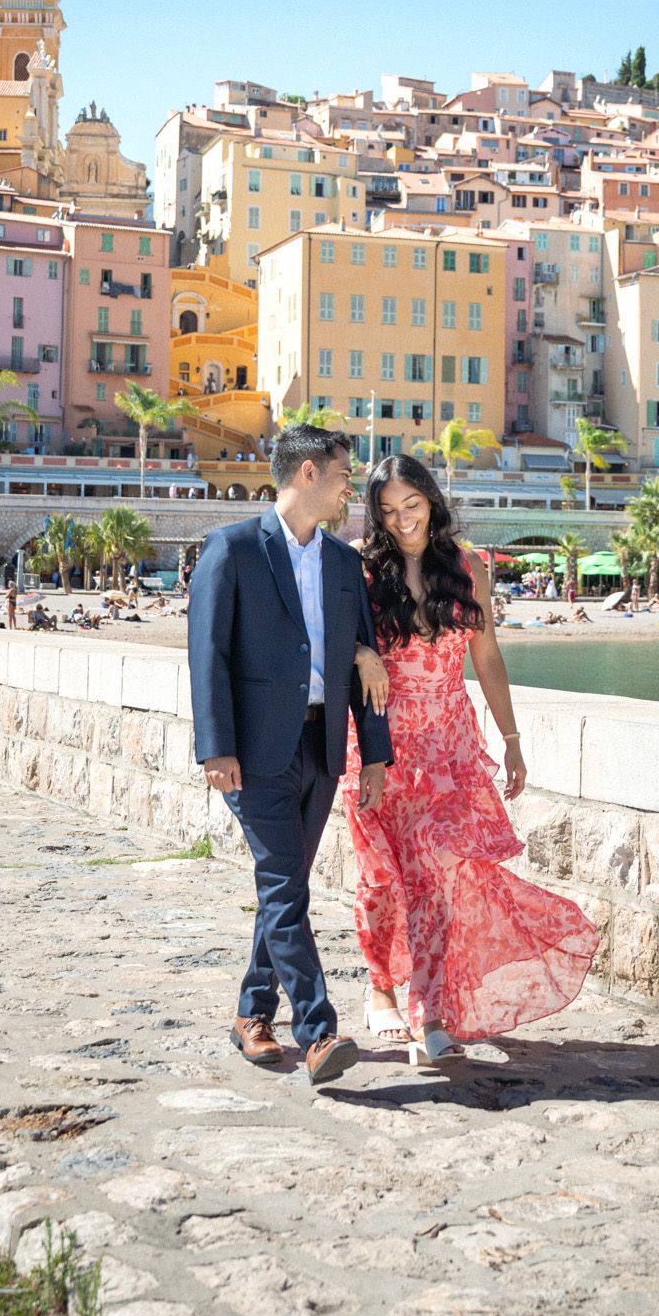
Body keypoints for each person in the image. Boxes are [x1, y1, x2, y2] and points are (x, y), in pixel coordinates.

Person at [345, 453, 599, 1063]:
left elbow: (485, 658)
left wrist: (511, 742)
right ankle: (380, 988)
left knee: (441, 873)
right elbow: (329, 637)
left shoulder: (467, 566)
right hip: (381, 742)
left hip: (451, 744)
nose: (403, 519)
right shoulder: (360, 566)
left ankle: (431, 1011)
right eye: (388, 510)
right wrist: (362, 653)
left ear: (431, 500)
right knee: (384, 877)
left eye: (412, 504)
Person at [187, 423, 391, 1086]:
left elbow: (362, 661)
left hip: (321, 745)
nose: (347, 490)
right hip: (254, 751)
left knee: (286, 890)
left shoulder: (340, 562)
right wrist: (215, 748)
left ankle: (251, 1014)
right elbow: (208, 653)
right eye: (340, 477)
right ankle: (317, 1032)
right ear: (306, 474)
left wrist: (376, 756)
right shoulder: (233, 548)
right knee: (282, 883)